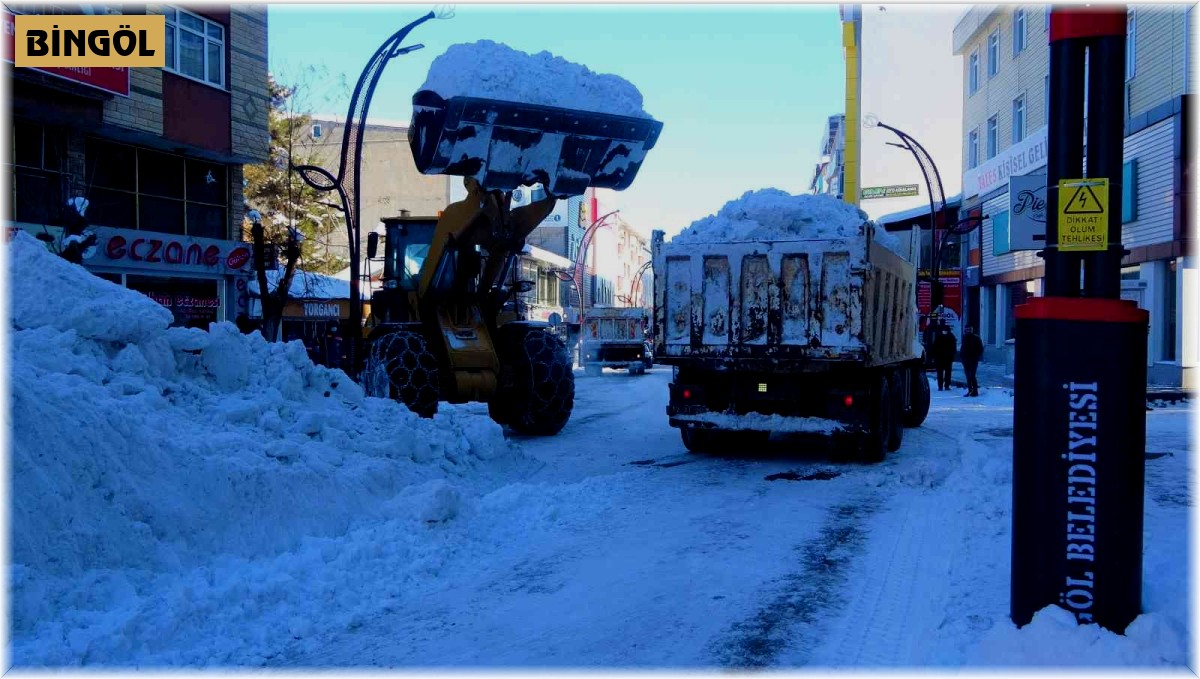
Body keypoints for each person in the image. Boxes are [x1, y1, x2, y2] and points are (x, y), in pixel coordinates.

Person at [960, 326, 984, 397]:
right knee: (968, 376)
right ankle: (970, 390)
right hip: (965, 360)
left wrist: (975, 356)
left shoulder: (976, 338)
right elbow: (963, 347)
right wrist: (962, 356)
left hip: (973, 360)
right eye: (967, 329)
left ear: (972, 330)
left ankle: (975, 391)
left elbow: (980, 349)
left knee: (972, 375)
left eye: (969, 329)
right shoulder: (964, 337)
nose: (968, 331)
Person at [933, 323, 957, 391]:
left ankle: (946, 385)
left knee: (947, 373)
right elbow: (935, 347)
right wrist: (935, 356)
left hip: (947, 358)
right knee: (940, 373)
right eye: (944, 330)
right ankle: (940, 386)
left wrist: (951, 355)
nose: (944, 332)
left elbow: (953, 348)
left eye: (946, 330)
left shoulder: (951, 337)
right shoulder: (939, 336)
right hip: (940, 358)